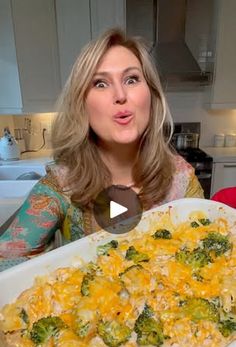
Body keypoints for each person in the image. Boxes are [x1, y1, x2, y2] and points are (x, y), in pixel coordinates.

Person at [0, 28, 204, 271]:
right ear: (82, 105)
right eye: (100, 83)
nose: (120, 95)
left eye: (131, 79)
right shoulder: (61, 186)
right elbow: (6, 263)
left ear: (151, 94)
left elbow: (210, 259)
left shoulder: (181, 182)